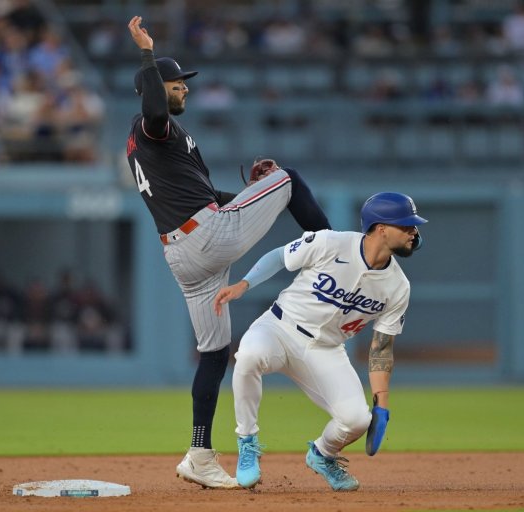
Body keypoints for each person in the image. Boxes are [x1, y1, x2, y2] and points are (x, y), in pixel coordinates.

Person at [125, 15, 331, 489]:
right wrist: (147, 54)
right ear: (153, 86)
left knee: (215, 354)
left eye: (181, 84)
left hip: (184, 255)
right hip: (208, 239)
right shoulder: (151, 125)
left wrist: (246, 193)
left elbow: (203, 195)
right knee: (291, 178)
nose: (184, 91)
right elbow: (155, 109)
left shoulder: (152, 144)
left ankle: (199, 452)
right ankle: (336, 257)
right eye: (177, 84)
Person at [213, 192, 428, 491]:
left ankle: (323, 455)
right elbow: (279, 256)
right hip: (280, 327)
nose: (413, 232)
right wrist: (244, 283)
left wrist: (381, 404)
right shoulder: (331, 242)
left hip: (325, 350)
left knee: (356, 420)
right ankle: (247, 442)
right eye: (406, 226)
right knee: (249, 355)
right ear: (381, 229)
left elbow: (381, 347)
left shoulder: (398, 286)